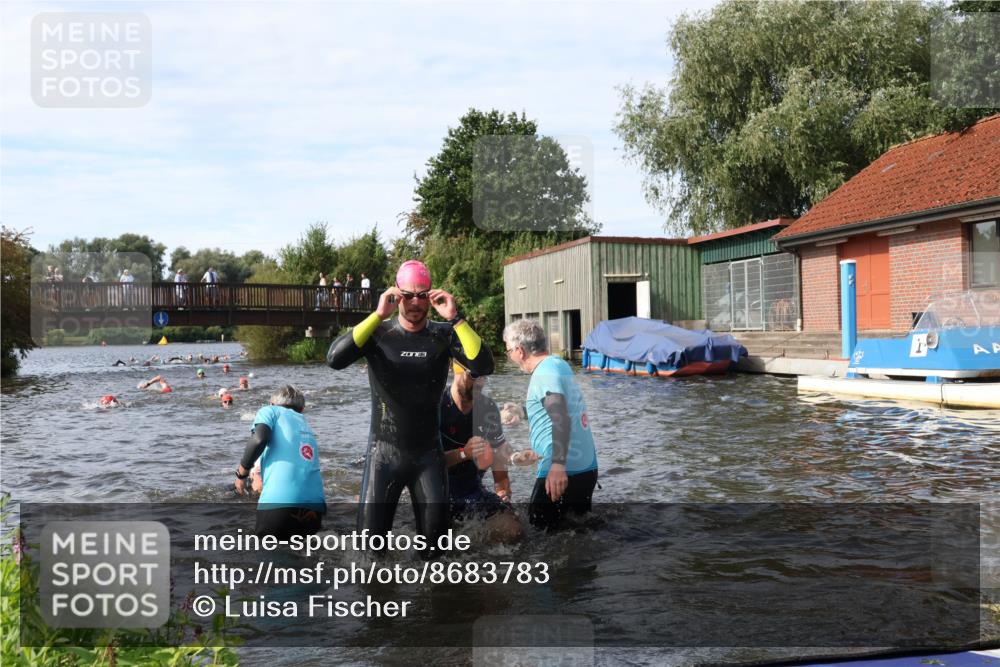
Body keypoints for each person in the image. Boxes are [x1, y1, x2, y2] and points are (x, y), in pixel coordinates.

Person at [327, 259, 494, 552]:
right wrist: (378, 315)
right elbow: (335, 359)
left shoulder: (443, 334)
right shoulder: (378, 334)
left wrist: (456, 318)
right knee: (369, 555)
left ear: (431, 295)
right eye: (408, 295)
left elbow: (484, 365)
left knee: (436, 555)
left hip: (428, 456)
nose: (415, 302)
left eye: (422, 294)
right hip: (383, 455)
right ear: (396, 293)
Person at [503, 318, 598, 530]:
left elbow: (561, 416)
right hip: (584, 466)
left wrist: (557, 465)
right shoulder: (558, 364)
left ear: (520, 350)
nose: (510, 357)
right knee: (577, 533)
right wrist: (523, 412)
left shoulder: (545, 373)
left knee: (539, 531)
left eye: (508, 351)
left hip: (563, 469)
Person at [440, 364, 521, 542]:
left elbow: (499, 458)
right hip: (436, 492)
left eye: (484, 377)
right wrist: (463, 453)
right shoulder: (435, 406)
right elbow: (424, 462)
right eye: (473, 375)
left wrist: (502, 489)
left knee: (512, 528)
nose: (479, 383)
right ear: (456, 370)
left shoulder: (488, 408)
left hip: (471, 490)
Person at [235, 385, 326, 539]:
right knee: (307, 559)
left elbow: (259, 439)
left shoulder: (269, 411)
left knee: (270, 558)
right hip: (315, 508)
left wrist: (241, 474)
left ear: (272, 403)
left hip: (279, 503)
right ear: (302, 409)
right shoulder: (305, 423)